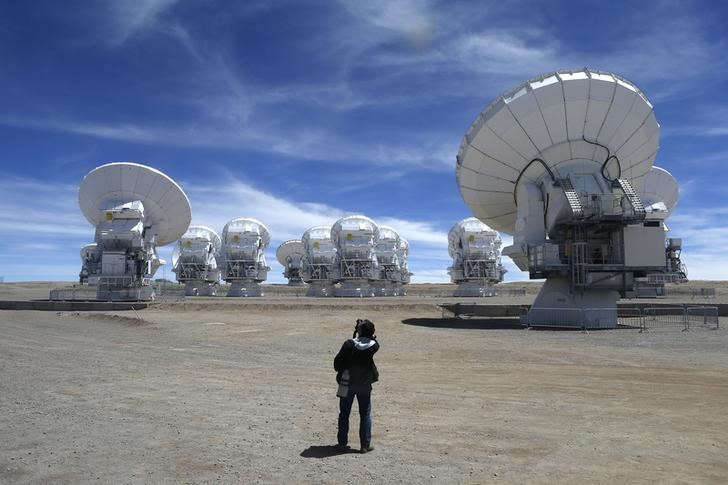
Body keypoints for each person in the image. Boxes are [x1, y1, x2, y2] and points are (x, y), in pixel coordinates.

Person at [334, 318, 379, 453]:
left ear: (360, 331)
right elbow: (373, 341)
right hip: (365, 384)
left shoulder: (349, 344)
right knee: (365, 413)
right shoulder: (374, 346)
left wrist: (357, 331)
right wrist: (363, 330)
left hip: (347, 384)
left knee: (344, 414)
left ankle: (342, 444)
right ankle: (365, 445)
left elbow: (337, 363)